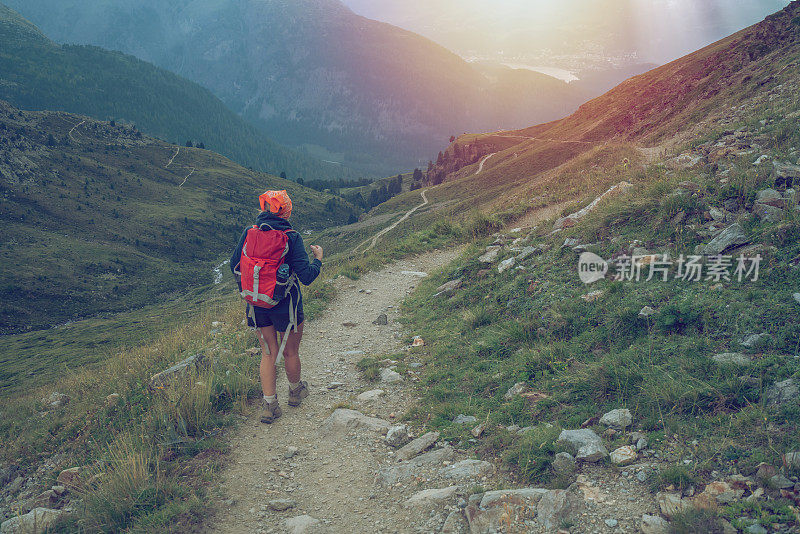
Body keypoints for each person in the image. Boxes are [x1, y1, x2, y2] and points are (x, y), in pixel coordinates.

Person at [230, 190, 323, 423]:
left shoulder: (249, 232)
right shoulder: (291, 237)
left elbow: (234, 265)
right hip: (287, 304)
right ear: (286, 211)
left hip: (257, 304)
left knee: (268, 352)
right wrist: (319, 259)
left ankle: (269, 406)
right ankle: (295, 392)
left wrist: (255, 291)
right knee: (290, 350)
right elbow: (307, 276)